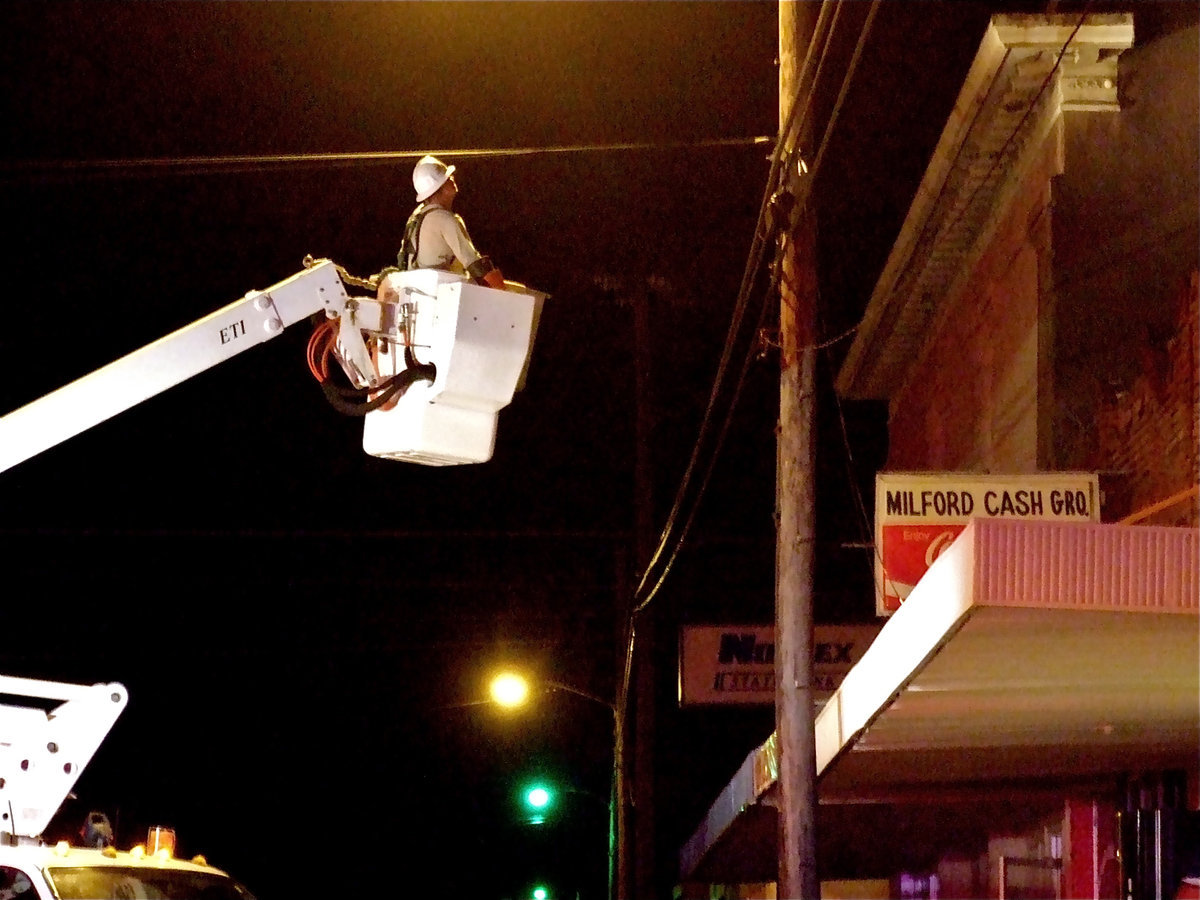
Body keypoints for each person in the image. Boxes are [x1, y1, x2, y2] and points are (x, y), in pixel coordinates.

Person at [396, 155, 506, 289]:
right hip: (441, 293)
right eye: (447, 178)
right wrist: (501, 290)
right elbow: (473, 263)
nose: (452, 178)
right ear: (438, 188)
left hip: (418, 291)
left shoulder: (416, 217)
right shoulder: (445, 219)